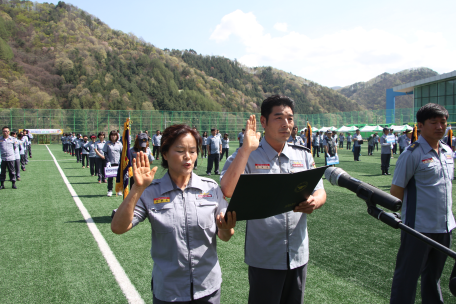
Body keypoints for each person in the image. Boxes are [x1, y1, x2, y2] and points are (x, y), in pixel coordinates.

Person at [111, 124, 236, 304]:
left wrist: (227, 228)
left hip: (208, 289)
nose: (188, 157)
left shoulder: (211, 188)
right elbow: (118, 227)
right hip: (169, 292)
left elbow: (225, 236)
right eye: (180, 150)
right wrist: (137, 188)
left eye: (193, 151)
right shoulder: (151, 192)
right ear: (165, 154)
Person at [220, 95, 326, 304]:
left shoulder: (303, 155)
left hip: (298, 254)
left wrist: (315, 202)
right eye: (279, 117)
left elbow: (320, 191)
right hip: (264, 256)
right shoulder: (248, 155)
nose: (286, 124)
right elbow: (227, 189)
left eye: (290, 118)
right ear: (263, 122)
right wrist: (245, 150)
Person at [389, 103, 454, 304]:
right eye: (433, 122)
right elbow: (396, 191)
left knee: (433, 277)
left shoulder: (447, 151)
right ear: (420, 125)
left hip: (444, 227)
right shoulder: (412, 153)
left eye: (443, 122)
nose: (439, 127)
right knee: (407, 278)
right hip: (418, 228)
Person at [102, 130, 123, 197]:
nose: (113, 137)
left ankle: (119, 190)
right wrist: (107, 161)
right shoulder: (107, 143)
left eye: (114, 135)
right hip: (110, 163)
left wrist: (122, 162)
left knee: (119, 178)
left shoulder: (119, 144)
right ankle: (110, 190)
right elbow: (105, 153)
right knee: (110, 178)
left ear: (117, 136)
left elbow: (122, 153)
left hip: (118, 163)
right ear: (110, 136)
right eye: (112, 135)